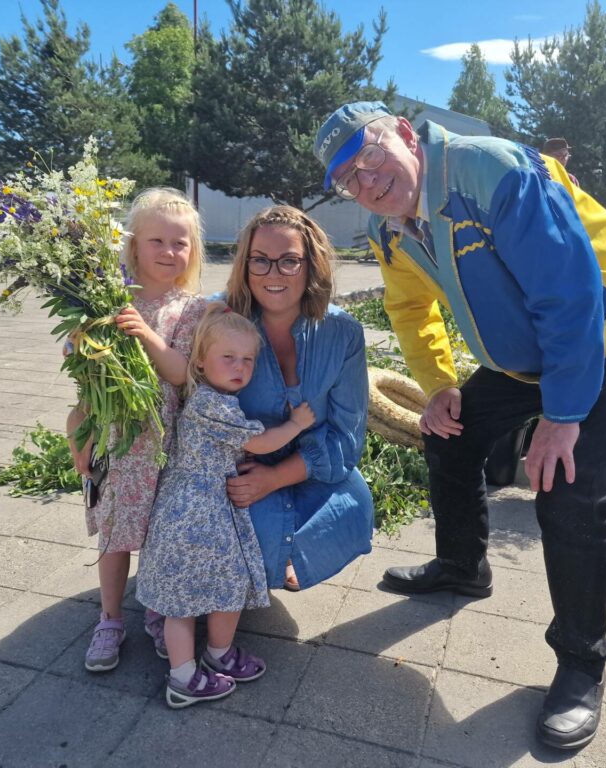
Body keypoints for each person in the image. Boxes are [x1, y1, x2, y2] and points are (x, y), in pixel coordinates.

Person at [314, 101, 606, 749]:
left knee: (569, 488)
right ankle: (463, 566)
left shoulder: (488, 170)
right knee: (449, 433)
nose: (366, 180)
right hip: (529, 359)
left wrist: (564, 414)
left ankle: (581, 661)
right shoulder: (391, 228)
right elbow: (409, 310)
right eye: (347, 177)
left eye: (370, 153)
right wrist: (437, 388)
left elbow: (568, 290)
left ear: (406, 134)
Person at [135, 304, 316, 708]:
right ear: (200, 361)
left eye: (248, 359)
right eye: (228, 358)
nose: (240, 367)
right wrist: (297, 424)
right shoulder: (213, 405)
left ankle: (216, 655)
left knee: (211, 591)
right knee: (190, 601)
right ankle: (183, 679)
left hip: (194, 508)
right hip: (196, 515)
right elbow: (262, 442)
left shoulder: (207, 398)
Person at [65, 187, 209, 673]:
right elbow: (85, 376)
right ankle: (109, 618)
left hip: (167, 443)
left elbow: (180, 372)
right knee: (116, 535)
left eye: (180, 243)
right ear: (133, 245)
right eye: (157, 241)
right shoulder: (106, 300)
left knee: (160, 534)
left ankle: (158, 610)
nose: (169, 252)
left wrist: (145, 334)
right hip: (117, 442)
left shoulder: (191, 309)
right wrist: (77, 427)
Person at [223, 206, 374, 592]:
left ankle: (276, 553)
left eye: (289, 261)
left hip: (313, 467)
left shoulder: (342, 332)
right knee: (238, 524)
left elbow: (347, 436)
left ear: (312, 266)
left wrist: (276, 477)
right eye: (260, 261)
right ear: (245, 265)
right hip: (236, 470)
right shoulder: (217, 317)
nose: (273, 274)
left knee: (354, 505)